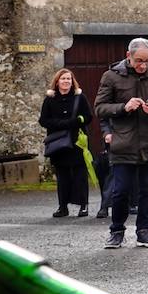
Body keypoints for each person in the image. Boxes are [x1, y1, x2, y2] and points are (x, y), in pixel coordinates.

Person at [94, 38, 148, 249]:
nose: (143, 65)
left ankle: (144, 232)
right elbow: (100, 108)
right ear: (128, 56)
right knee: (121, 190)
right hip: (123, 143)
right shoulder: (111, 76)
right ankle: (116, 231)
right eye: (139, 60)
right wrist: (123, 107)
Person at [39, 68, 93, 218]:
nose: (66, 81)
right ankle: (62, 207)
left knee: (80, 175)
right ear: (57, 82)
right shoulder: (49, 100)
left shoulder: (79, 98)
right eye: (63, 79)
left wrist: (76, 121)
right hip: (58, 142)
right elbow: (43, 120)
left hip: (77, 141)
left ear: (72, 81)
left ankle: (83, 206)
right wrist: (61, 123)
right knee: (62, 176)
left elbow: (88, 116)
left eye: (69, 79)